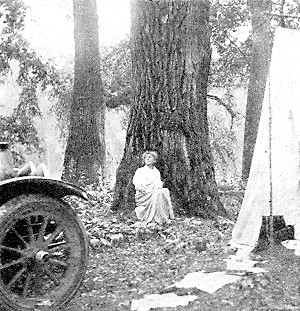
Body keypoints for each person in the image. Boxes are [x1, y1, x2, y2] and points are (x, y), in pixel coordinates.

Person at [132, 150, 174, 225]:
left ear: (154, 160)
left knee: (165, 191)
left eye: (149, 157)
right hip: (143, 193)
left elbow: (158, 184)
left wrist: (157, 187)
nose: (147, 159)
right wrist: (143, 189)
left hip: (153, 191)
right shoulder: (140, 171)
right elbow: (137, 184)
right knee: (157, 193)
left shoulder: (156, 172)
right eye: (145, 158)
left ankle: (163, 217)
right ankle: (152, 218)